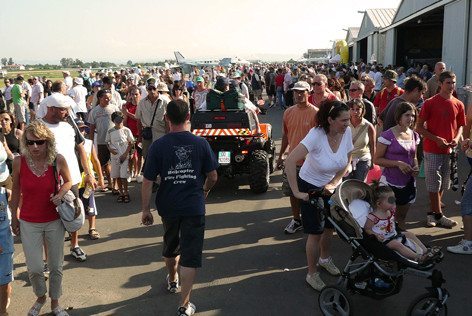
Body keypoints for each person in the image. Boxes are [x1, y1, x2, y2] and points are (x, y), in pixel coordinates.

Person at [141, 99, 218, 316]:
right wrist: (204, 190)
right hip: (193, 205)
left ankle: (172, 279)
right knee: (190, 256)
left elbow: (147, 181)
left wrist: (146, 209)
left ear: (166, 118)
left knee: (171, 244)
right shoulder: (201, 143)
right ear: (188, 118)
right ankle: (184, 305)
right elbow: (213, 176)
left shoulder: (158, 146)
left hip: (169, 205)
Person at [285, 100, 353, 291]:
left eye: (349, 120)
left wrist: (334, 182)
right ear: (330, 120)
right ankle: (312, 273)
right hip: (310, 186)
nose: (348, 123)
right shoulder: (316, 135)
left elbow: (348, 159)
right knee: (315, 232)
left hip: (330, 186)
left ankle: (325, 259)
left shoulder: (345, 132)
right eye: (344, 120)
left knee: (329, 227)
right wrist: (298, 192)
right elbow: (290, 160)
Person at [10, 121, 72, 316]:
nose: (35, 147)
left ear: (48, 142)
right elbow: (16, 189)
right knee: (35, 268)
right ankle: (40, 296)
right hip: (29, 221)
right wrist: (14, 217)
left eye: (40, 142)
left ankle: (55, 302)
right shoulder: (19, 161)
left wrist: (61, 193)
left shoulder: (57, 160)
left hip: (54, 220)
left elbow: (69, 181)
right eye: (30, 143)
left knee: (55, 265)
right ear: (25, 143)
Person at [40, 93, 96, 262]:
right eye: (63, 109)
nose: (67, 112)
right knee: (48, 219)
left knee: (73, 213)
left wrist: (89, 174)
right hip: (48, 181)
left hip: (73, 179)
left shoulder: (70, 124)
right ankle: (49, 258)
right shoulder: (38, 127)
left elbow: (81, 149)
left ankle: (75, 245)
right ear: (51, 109)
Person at [416, 71, 465, 228]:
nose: (451, 86)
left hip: (449, 151)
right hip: (432, 149)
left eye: (453, 82)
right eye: (448, 83)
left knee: (444, 184)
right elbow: (418, 127)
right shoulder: (430, 103)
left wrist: (456, 139)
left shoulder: (459, 104)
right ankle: (439, 215)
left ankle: (432, 213)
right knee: (433, 184)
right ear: (440, 84)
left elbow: (461, 127)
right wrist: (436, 139)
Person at [278, 81, 318, 234]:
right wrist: (281, 155)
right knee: (292, 193)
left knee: (310, 195)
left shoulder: (316, 113)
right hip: (292, 162)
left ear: (309, 93)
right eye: (296, 92)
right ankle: (296, 220)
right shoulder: (288, 112)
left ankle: (311, 221)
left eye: (302, 92)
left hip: (311, 163)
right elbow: (286, 136)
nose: (299, 95)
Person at [375, 102, 420, 229]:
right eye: (407, 115)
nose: (410, 119)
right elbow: (377, 159)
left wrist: (416, 166)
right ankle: (386, 243)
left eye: (412, 115)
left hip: (408, 182)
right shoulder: (387, 135)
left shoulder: (414, 135)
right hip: (390, 184)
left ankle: (401, 240)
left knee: (401, 217)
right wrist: (397, 164)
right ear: (399, 116)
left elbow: (414, 156)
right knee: (387, 216)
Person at [364, 184, 436, 263]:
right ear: (379, 204)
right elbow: (367, 229)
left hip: (394, 234)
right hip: (384, 240)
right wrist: (376, 235)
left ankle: (426, 251)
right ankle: (417, 257)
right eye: (390, 200)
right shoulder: (373, 217)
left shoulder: (389, 211)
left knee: (410, 234)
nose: (394, 201)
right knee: (397, 245)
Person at [88, 89, 121, 192]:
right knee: (105, 163)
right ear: (99, 98)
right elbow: (92, 128)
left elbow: (120, 124)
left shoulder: (114, 108)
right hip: (102, 141)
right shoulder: (94, 111)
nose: (108, 99)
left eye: (109, 98)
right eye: (105, 98)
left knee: (115, 162)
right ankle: (110, 183)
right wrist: (91, 143)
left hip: (114, 141)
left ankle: (115, 185)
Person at [106, 111, 134, 203]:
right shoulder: (110, 131)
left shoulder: (126, 130)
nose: (119, 122)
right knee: (117, 176)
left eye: (121, 119)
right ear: (113, 121)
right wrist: (110, 150)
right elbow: (107, 142)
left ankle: (126, 193)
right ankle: (121, 193)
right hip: (114, 158)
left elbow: (131, 142)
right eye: (117, 120)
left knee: (123, 176)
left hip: (124, 157)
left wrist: (126, 153)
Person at [346, 99, 375, 181]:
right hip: (346, 160)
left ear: (362, 110)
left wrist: (372, 162)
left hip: (363, 159)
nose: (355, 112)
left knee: (359, 186)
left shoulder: (368, 126)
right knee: (345, 186)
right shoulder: (344, 124)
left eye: (358, 109)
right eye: (352, 109)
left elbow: (373, 145)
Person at [123, 86, 143, 181]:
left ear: (140, 95)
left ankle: (138, 173)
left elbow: (140, 119)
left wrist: (128, 114)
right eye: (132, 94)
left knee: (139, 155)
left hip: (141, 133)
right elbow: (125, 121)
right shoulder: (127, 105)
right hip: (130, 133)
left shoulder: (143, 105)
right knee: (130, 155)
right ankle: (130, 172)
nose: (134, 96)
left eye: (136, 94)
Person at [0, 186, 13, 316]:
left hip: (5, 246)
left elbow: (20, 200)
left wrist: (16, 218)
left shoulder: (5, 193)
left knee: (4, 281)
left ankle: (3, 311)